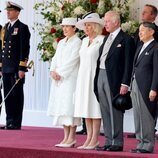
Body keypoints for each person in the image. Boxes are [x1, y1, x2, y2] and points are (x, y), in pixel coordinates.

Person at [94, 11, 135, 152]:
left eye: (107, 21)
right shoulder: (106, 38)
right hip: (101, 75)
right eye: (104, 21)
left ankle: (117, 142)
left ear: (116, 22)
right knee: (105, 110)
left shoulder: (126, 39)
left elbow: (128, 64)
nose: (105, 24)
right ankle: (108, 141)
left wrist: (125, 83)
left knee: (115, 111)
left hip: (116, 80)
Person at [47, 18, 81, 148]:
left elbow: (73, 61)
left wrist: (60, 73)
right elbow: (55, 58)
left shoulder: (77, 42)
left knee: (69, 107)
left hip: (70, 78)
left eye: (68, 26)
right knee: (61, 107)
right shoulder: (61, 42)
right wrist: (52, 71)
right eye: (64, 27)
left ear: (74, 28)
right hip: (59, 79)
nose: (65, 29)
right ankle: (65, 137)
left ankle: (72, 138)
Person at [74, 12, 104, 150]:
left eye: (89, 25)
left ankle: (94, 139)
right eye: (85, 25)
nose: (86, 28)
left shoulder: (102, 40)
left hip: (95, 76)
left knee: (94, 108)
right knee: (85, 108)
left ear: (96, 26)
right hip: (83, 77)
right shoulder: (84, 41)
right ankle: (88, 138)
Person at [0, 1, 30, 130]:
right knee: (7, 95)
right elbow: (3, 49)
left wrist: (22, 68)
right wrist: (1, 67)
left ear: (17, 12)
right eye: (7, 10)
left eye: (11, 10)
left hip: (16, 68)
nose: (8, 12)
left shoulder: (22, 27)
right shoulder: (5, 27)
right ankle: (9, 121)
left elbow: (24, 49)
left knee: (16, 95)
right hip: (6, 67)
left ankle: (16, 122)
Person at [130, 22, 158, 154]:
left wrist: (154, 88)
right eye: (139, 30)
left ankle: (148, 144)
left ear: (151, 32)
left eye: (142, 30)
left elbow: (157, 70)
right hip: (135, 85)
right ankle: (140, 142)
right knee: (138, 115)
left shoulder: (155, 47)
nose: (139, 33)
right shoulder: (141, 46)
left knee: (146, 116)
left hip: (147, 87)